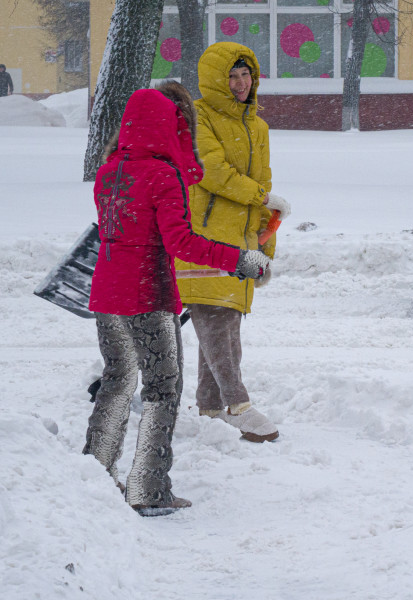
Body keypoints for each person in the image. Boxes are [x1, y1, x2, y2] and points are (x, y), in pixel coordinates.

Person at [83, 81, 271, 517]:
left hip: (107, 293)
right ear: (167, 126)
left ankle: (93, 475)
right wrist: (238, 259)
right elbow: (180, 242)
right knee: (162, 390)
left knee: (117, 382)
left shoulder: (109, 171)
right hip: (147, 294)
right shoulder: (162, 175)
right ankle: (147, 488)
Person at [175, 42, 291, 443]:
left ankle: (210, 408)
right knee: (218, 327)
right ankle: (238, 405)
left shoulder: (258, 126)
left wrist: (263, 250)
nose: (241, 83)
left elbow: (263, 187)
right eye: (232, 76)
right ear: (215, 80)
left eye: (246, 75)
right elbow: (211, 171)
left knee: (224, 324)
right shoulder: (198, 117)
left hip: (240, 241)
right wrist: (260, 196)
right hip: (203, 238)